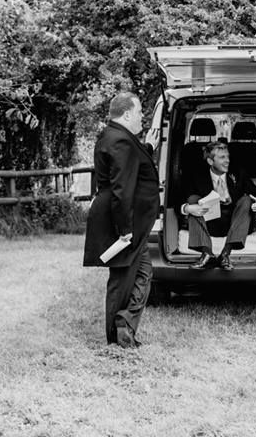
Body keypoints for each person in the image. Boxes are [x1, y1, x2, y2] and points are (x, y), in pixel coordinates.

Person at [83, 92, 160, 348]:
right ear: (127, 114)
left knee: (142, 273)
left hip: (131, 222)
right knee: (122, 278)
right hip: (127, 224)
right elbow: (122, 189)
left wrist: (148, 147)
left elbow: (130, 167)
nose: (142, 117)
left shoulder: (116, 136)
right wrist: (125, 230)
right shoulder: (121, 141)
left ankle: (124, 324)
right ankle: (118, 336)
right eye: (139, 112)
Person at [181, 141, 256, 271]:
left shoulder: (238, 173)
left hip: (236, 224)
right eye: (222, 157)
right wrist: (187, 208)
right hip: (209, 223)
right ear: (210, 161)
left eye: (228, 157)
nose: (227, 161)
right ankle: (206, 253)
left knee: (246, 200)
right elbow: (179, 198)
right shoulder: (196, 175)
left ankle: (226, 253)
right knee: (193, 200)